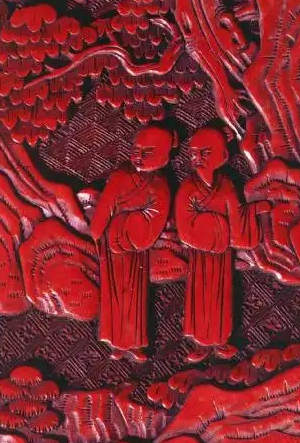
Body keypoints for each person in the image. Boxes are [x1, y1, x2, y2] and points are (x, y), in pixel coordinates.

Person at [175, 127, 270, 363]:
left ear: (222, 155)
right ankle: (200, 343)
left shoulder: (226, 184)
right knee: (200, 296)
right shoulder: (188, 187)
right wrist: (216, 226)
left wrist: (254, 211)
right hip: (200, 254)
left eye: (205, 152)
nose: (198, 158)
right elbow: (184, 224)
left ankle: (220, 339)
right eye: (194, 153)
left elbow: (237, 216)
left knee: (222, 295)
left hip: (222, 254)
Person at [91, 125, 176, 362]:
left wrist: (137, 230)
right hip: (113, 247)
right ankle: (116, 342)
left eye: (147, 152)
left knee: (135, 295)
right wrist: (97, 234)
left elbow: (159, 217)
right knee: (115, 294)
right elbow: (104, 209)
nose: (139, 156)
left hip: (138, 247)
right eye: (136, 150)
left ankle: (135, 342)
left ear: (164, 155)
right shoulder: (120, 177)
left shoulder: (160, 184)